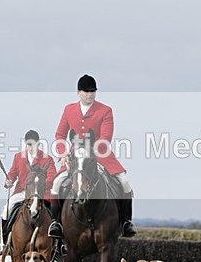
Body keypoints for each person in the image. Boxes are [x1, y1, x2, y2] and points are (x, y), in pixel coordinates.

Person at [48, 74, 136, 238]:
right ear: (78, 92)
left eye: (92, 92)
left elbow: (105, 138)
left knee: (125, 183)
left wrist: (90, 151)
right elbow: (60, 135)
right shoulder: (69, 109)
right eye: (86, 91)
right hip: (75, 158)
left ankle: (126, 222)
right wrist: (64, 153)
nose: (89, 95)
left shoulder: (105, 110)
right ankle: (56, 223)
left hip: (100, 155)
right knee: (57, 183)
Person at [1, 130, 57, 238]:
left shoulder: (47, 159)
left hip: (40, 193)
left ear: (38, 144)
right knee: (6, 210)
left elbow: (52, 176)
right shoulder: (18, 157)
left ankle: (57, 241)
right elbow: (13, 173)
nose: (31, 148)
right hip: (22, 192)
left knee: (54, 211)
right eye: (28, 145)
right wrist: (9, 181)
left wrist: (43, 185)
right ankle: (5, 241)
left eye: (33, 145)